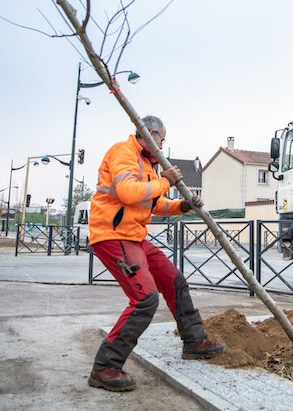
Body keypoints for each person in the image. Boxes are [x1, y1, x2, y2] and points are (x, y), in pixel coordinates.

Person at [87, 115, 225, 392]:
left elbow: (155, 204)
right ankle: (106, 366)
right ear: (150, 133)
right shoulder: (123, 151)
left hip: (134, 236)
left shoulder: (149, 164)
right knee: (145, 299)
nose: (163, 146)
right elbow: (128, 193)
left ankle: (194, 341)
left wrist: (182, 207)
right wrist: (165, 180)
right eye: (162, 140)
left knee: (174, 280)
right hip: (113, 235)